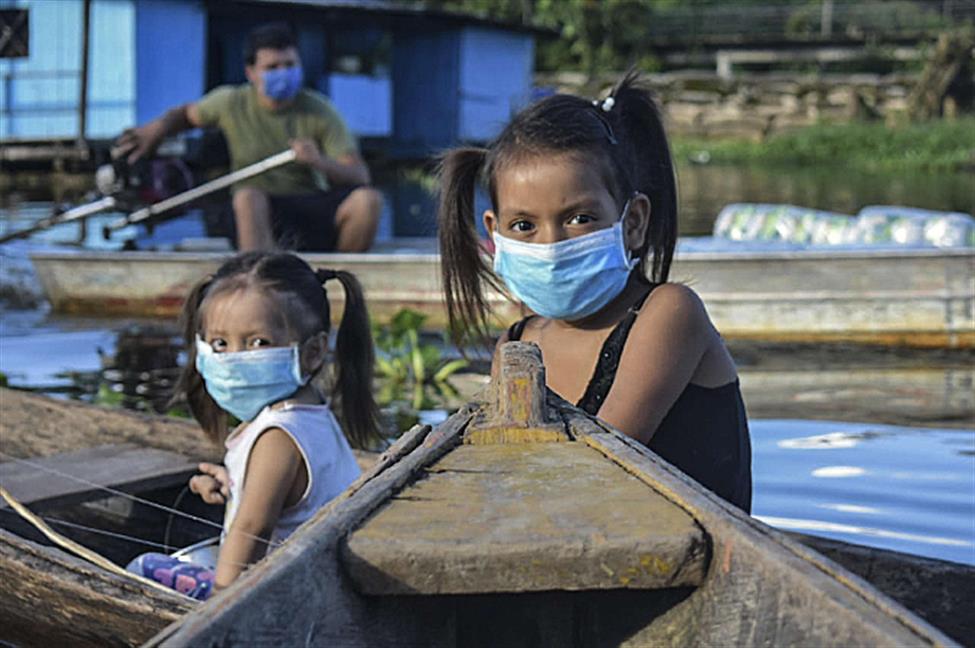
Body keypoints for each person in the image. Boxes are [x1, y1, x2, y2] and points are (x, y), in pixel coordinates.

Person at [437, 70, 752, 512]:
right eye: (524, 226)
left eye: (580, 218)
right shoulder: (518, 342)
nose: (551, 245)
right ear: (495, 234)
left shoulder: (668, 314)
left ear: (633, 223)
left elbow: (597, 470)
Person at [126, 251, 380, 599]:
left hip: (282, 599)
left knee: (143, 567)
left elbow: (251, 528)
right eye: (220, 344)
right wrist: (237, 487)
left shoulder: (277, 436)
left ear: (313, 352)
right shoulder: (308, 412)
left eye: (258, 342)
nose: (234, 359)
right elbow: (291, 499)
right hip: (315, 581)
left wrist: (220, 604)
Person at [116, 22, 381, 252]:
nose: (283, 73)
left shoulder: (321, 110)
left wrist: (318, 161)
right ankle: (260, 276)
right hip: (253, 212)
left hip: (307, 205)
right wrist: (155, 130)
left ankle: (344, 276)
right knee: (247, 197)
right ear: (251, 73)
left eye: (290, 65)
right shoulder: (231, 101)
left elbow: (359, 175)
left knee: (367, 202)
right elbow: (186, 115)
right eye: (273, 67)